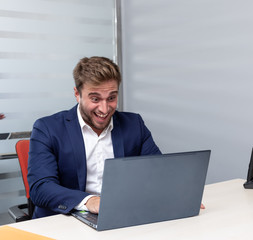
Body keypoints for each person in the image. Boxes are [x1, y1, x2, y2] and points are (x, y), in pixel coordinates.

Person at [27, 56, 161, 218]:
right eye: (95, 99)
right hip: (64, 219)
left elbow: (158, 172)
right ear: (77, 94)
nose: (104, 109)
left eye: (111, 98)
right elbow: (41, 187)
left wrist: (175, 194)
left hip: (121, 216)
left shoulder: (134, 124)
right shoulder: (47, 128)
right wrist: (89, 201)